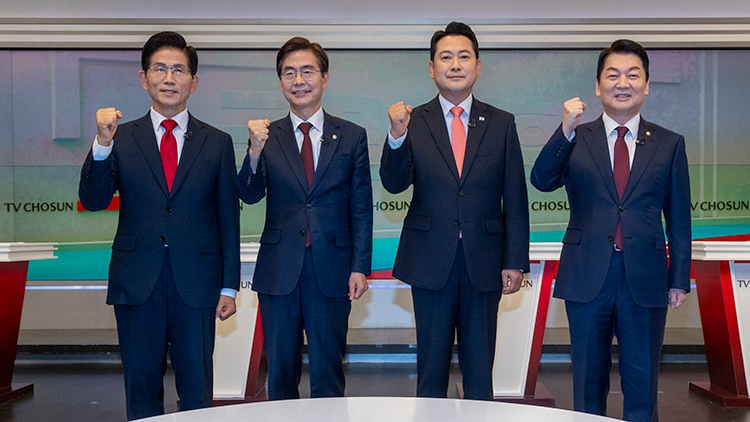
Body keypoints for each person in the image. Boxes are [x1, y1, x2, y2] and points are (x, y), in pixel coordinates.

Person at [78, 31, 240, 420]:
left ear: (194, 82)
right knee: (141, 386)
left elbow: (228, 218)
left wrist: (229, 286)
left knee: (197, 388)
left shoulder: (217, 142)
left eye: (179, 70)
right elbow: (94, 200)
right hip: (137, 282)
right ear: (143, 77)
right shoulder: (119, 138)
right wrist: (101, 144)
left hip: (197, 283)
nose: (169, 78)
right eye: (160, 69)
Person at [530, 39, 691, 422]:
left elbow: (679, 218)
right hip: (587, 275)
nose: (623, 83)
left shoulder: (669, 143)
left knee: (642, 384)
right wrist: (564, 129)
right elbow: (541, 180)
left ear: (646, 85)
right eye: (613, 75)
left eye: (633, 75)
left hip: (645, 279)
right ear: (598, 85)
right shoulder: (576, 137)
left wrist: (679, 279)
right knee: (587, 383)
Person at [379, 22, 530, 401]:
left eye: (464, 56)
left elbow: (515, 197)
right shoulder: (413, 121)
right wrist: (396, 135)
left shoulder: (501, 122)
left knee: (480, 372)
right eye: (446, 57)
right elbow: (394, 184)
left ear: (478, 66)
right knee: (431, 372)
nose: (456, 64)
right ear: (432, 68)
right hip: (430, 260)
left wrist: (515, 260)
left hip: (484, 261)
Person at [236, 37, 373, 400]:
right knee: (281, 373)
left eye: (307, 71)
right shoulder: (267, 136)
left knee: (328, 372)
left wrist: (360, 267)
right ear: (280, 81)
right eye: (289, 73)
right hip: (279, 269)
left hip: (332, 268)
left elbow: (361, 208)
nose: (299, 80)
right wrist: (254, 151)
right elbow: (249, 194)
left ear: (324, 77)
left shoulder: (352, 136)